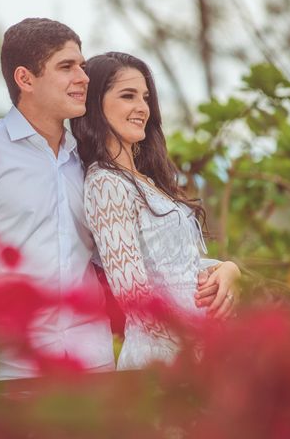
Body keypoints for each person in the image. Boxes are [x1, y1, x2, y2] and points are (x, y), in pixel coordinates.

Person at [0, 19, 226, 379]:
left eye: (82, 66)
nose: (83, 77)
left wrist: (225, 269)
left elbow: (148, 254)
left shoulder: (87, 164)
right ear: (25, 79)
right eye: (66, 67)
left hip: (92, 364)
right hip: (13, 369)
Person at [72, 52, 240, 370]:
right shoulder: (105, 183)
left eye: (145, 97)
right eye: (127, 95)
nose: (142, 108)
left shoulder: (147, 180)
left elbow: (176, 266)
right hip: (166, 361)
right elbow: (135, 296)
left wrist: (228, 269)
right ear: (96, 104)